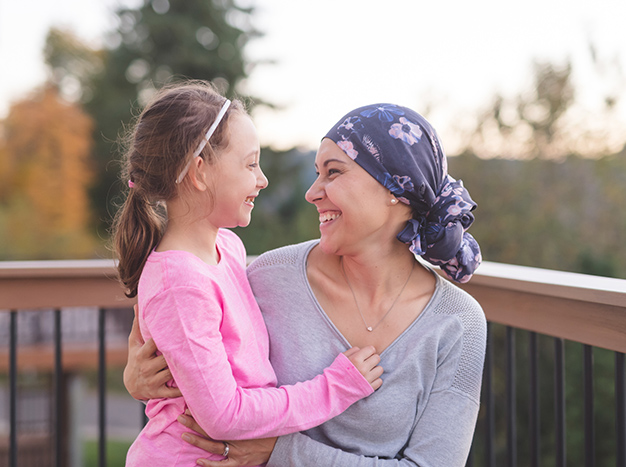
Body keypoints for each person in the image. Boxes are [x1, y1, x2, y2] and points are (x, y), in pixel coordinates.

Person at [125, 103, 487, 466]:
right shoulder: (269, 276)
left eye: (333, 172)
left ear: (394, 187)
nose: (311, 192)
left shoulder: (458, 323)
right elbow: (194, 350)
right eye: (316, 173)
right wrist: (137, 379)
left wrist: (281, 451)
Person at [112, 83, 383, 467]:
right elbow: (224, 414)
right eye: (250, 163)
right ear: (199, 171)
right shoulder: (180, 283)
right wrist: (333, 388)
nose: (262, 179)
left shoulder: (228, 248)